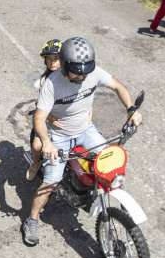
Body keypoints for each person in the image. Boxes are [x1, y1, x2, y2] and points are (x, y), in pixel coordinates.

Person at [22, 37, 142, 246]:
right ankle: (31, 220)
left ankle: (116, 201)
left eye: (85, 71)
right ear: (66, 66)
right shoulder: (52, 84)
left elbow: (118, 86)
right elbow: (39, 118)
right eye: (77, 72)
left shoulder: (91, 73)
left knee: (110, 164)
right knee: (51, 180)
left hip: (86, 130)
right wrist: (47, 143)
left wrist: (131, 109)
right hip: (59, 137)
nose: (82, 76)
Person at [25, 39, 63, 182]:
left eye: (56, 59)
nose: (52, 62)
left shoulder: (72, 76)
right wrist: (50, 118)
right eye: (49, 59)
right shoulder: (45, 80)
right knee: (36, 146)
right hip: (48, 117)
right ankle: (35, 163)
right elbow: (41, 106)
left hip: (67, 118)